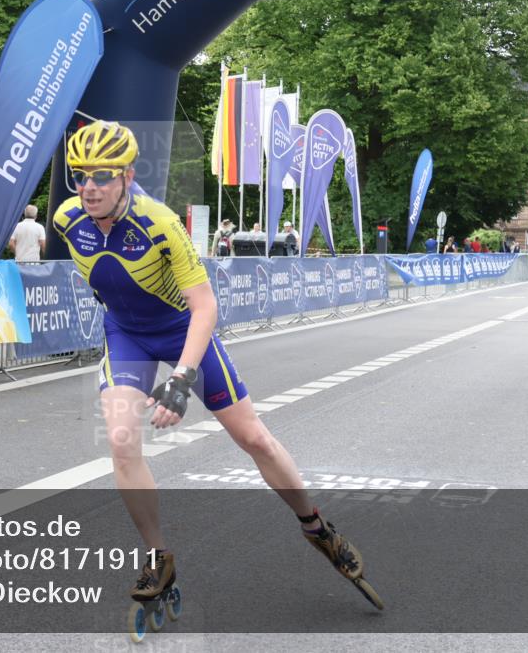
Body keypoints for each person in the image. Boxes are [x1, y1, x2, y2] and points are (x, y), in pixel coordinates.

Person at [53, 120, 374, 606]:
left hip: (184, 330)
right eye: (80, 176)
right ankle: (159, 555)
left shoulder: (157, 222)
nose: (88, 187)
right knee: (120, 440)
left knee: (252, 437)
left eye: (101, 175)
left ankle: (316, 525)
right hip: (126, 335)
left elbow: (204, 307)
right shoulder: (66, 219)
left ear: (127, 175)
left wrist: (181, 379)